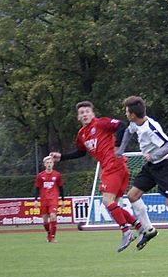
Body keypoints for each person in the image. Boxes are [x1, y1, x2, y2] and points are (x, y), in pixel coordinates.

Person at [50, 101, 144, 252]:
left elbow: (121, 125)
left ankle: (126, 232)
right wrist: (62, 157)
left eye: (87, 111)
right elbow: (81, 152)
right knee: (113, 205)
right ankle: (140, 228)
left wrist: (117, 146)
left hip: (112, 164)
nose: (85, 114)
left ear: (92, 113)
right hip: (115, 167)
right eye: (81, 113)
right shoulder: (81, 134)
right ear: (78, 117)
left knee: (107, 201)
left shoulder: (101, 123)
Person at [115, 96, 168, 260]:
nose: (125, 114)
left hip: (165, 167)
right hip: (151, 167)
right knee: (132, 195)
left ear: (133, 114)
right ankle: (149, 230)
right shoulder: (135, 123)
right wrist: (120, 150)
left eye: (127, 111)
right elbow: (128, 131)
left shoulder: (150, 128)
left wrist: (154, 156)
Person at [33, 156, 65, 242]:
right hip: (44, 200)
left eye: (50, 162)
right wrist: (35, 200)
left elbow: (61, 188)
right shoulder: (40, 176)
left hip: (53, 199)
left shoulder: (57, 175)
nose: (49, 164)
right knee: (45, 221)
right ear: (44, 164)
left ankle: (53, 237)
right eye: (47, 163)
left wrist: (62, 200)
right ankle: (49, 233)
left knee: (53, 216)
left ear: (53, 164)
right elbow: (37, 188)